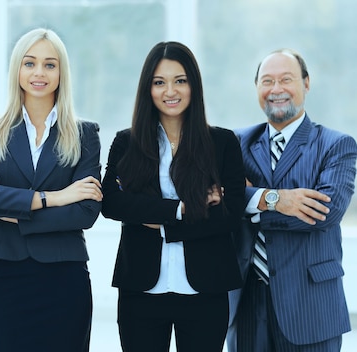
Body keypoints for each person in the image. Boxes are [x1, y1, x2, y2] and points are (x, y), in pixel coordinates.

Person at [0, 28, 102, 352]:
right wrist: (56, 197)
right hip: (5, 276)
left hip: (65, 278)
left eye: (50, 64)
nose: (39, 72)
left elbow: (85, 211)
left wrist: (8, 211)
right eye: (30, 63)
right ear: (18, 70)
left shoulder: (84, 134)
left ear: (61, 72)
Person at [101, 41, 245, 352]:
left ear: (194, 85)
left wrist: (162, 225)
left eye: (180, 80)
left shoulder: (222, 143)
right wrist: (180, 209)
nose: (171, 91)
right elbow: (112, 202)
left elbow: (231, 216)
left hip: (206, 290)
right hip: (141, 289)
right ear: (147, 89)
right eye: (159, 82)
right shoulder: (126, 143)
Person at [227, 49, 357, 351]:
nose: (276, 90)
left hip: (310, 306)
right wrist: (275, 199)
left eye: (286, 79)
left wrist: (250, 202)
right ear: (257, 88)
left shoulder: (336, 145)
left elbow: (326, 211)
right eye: (267, 81)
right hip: (246, 302)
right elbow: (217, 199)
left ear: (306, 83)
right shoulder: (235, 142)